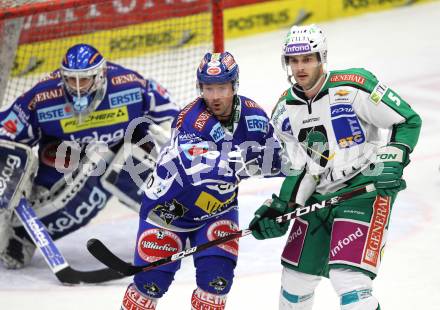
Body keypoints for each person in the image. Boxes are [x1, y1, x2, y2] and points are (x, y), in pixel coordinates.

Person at [249, 24, 421, 309]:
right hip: (321, 197)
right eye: (294, 60)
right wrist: (281, 207)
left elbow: (407, 120)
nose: (300, 67)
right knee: (294, 281)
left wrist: (394, 156)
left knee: (349, 280)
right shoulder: (283, 110)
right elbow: (301, 168)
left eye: (307, 58)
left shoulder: (354, 86)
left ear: (321, 58)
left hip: (365, 189)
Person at [120, 51, 282, 310]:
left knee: (215, 288)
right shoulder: (191, 120)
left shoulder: (254, 117)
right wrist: (260, 161)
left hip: (218, 211)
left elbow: (279, 158)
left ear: (234, 85)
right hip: (167, 213)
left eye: (222, 87)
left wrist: (311, 166)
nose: (215, 96)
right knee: (148, 291)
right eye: (208, 88)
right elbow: (205, 171)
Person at [0, 43, 179, 269]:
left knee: (137, 169)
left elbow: (172, 117)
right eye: (70, 80)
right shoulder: (43, 97)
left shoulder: (130, 86)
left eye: (82, 80)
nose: (76, 88)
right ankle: (22, 236)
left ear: (100, 75)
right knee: (73, 206)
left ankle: (181, 221)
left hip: (122, 153)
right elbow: (7, 134)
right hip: (65, 160)